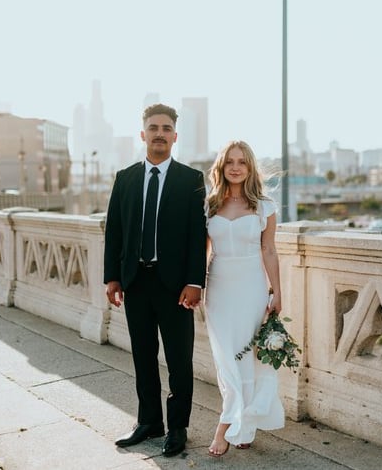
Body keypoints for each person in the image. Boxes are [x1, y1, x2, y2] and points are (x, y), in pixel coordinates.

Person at [104, 103, 207, 458]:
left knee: (179, 360)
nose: (159, 133)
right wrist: (113, 278)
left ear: (175, 137)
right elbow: (114, 232)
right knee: (143, 356)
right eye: (154, 127)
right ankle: (149, 421)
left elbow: (197, 236)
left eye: (166, 128)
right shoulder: (125, 178)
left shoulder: (191, 180)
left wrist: (195, 281)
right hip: (135, 283)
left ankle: (177, 427)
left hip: (175, 286)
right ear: (143, 134)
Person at [204, 140, 285, 457]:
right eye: (229, 162)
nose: (235, 167)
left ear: (250, 168)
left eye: (242, 162)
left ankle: (231, 427)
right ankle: (238, 420)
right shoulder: (210, 205)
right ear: (221, 168)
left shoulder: (265, 206)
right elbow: (204, 252)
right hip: (219, 289)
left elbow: (269, 250)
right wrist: (194, 288)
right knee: (227, 360)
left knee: (247, 357)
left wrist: (277, 291)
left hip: (252, 287)